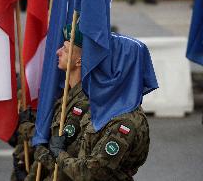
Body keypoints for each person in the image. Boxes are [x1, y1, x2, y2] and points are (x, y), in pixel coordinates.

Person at [48, 33, 158, 180]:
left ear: (118, 67)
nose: (96, 62)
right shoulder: (105, 106)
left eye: (105, 58)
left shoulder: (125, 123)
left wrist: (59, 154)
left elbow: (91, 173)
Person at [24, 24, 90, 181]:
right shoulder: (68, 95)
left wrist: (30, 134)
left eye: (66, 50)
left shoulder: (84, 102)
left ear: (79, 60)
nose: (58, 52)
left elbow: (64, 159)